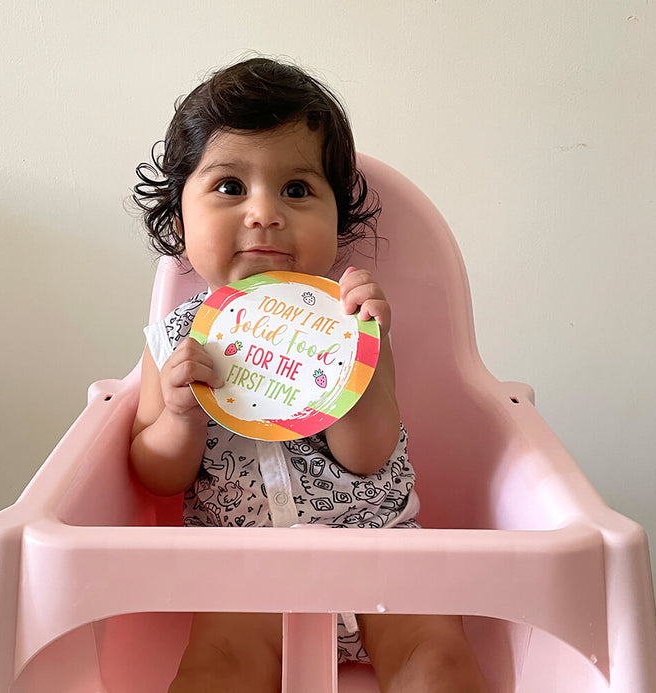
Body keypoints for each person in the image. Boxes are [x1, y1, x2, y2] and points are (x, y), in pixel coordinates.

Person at [130, 57, 490, 693]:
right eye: (230, 187)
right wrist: (180, 416)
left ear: (337, 219)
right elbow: (156, 473)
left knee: (438, 661)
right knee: (216, 670)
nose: (264, 213)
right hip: (244, 579)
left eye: (296, 190)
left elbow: (368, 456)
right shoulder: (174, 339)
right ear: (179, 218)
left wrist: (357, 359)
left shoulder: (349, 322)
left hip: (379, 553)